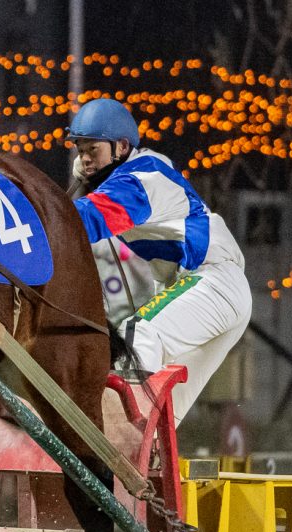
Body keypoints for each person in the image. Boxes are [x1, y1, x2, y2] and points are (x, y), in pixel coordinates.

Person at [68, 98, 252, 423]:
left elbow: (91, 219)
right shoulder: (133, 170)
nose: (84, 160)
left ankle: (115, 436)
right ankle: (143, 465)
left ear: (122, 146)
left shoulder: (143, 178)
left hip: (212, 282)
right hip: (216, 290)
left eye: (91, 150)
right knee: (165, 414)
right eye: (79, 151)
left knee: (139, 335)